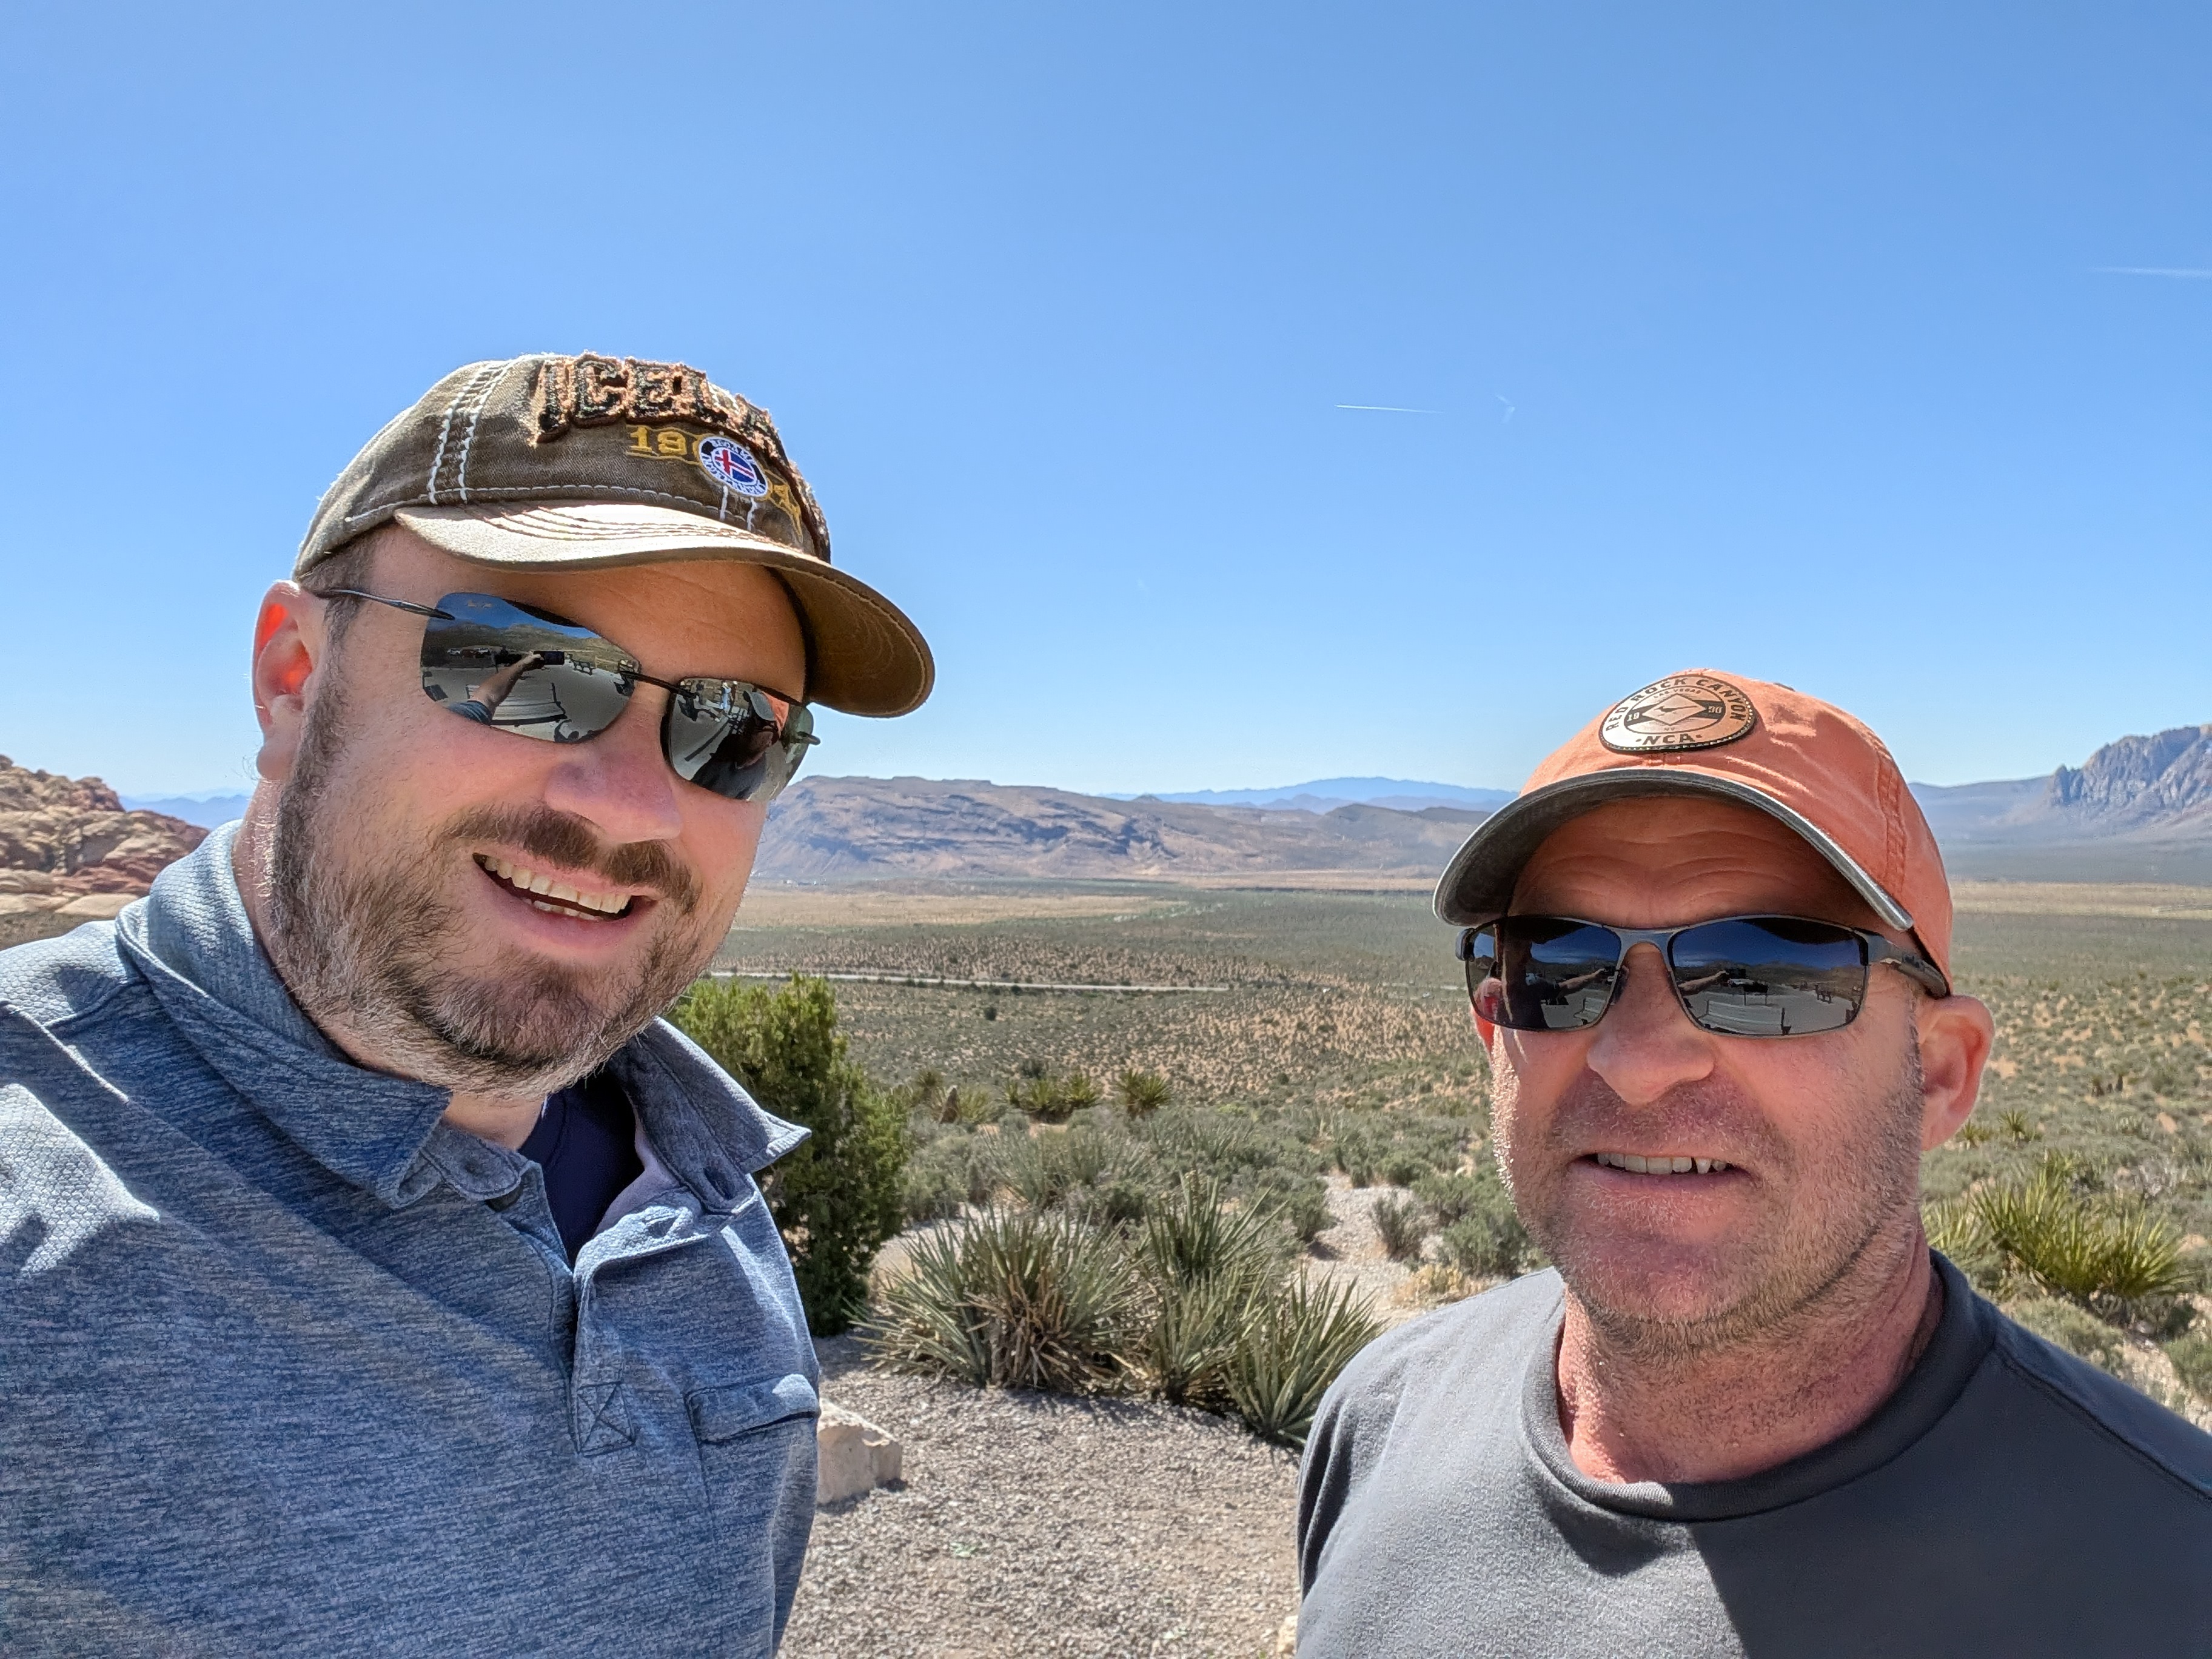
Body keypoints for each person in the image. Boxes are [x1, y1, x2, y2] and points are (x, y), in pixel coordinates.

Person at [0, 354, 933, 1656]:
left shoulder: (694, 1190)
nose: (629, 804)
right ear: (292, 676)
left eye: (734, 729)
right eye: (522, 665)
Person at [1295, 671, 2211, 1657]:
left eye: (1767, 973)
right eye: (1556, 965)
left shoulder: (2173, 1570)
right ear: (1493, 1036)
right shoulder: (1382, 1422)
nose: (1637, 1062)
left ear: (1940, 1074)